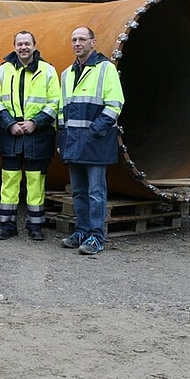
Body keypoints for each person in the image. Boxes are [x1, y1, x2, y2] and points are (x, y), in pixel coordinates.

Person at [58, 26, 124, 255]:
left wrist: (94, 132)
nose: (77, 43)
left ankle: (96, 236)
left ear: (93, 43)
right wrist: (63, 137)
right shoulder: (66, 74)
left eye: (82, 39)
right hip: (74, 143)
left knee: (96, 192)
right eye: (74, 39)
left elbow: (115, 104)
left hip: (96, 143)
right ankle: (81, 231)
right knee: (78, 191)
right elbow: (61, 110)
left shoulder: (106, 69)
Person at [0, 31, 60, 242]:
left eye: (27, 44)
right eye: (20, 44)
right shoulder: (2, 70)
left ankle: (35, 226)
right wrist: (9, 124)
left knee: (35, 181)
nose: (23, 47)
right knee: (9, 180)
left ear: (34, 45)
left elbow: (55, 102)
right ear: (14, 46)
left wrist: (35, 123)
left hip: (38, 135)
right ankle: (7, 225)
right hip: (10, 134)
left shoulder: (48, 70)